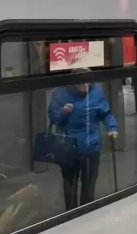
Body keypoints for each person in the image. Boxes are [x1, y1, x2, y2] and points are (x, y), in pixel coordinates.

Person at [48, 68, 118, 210]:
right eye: (81, 82)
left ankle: (86, 214)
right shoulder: (61, 93)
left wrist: (112, 128)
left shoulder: (96, 91)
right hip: (69, 148)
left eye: (88, 81)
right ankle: (71, 214)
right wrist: (63, 112)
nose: (85, 85)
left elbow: (106, 113)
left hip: (91, 147)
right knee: (70, 185)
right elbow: (53, 117)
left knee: (89, 185)